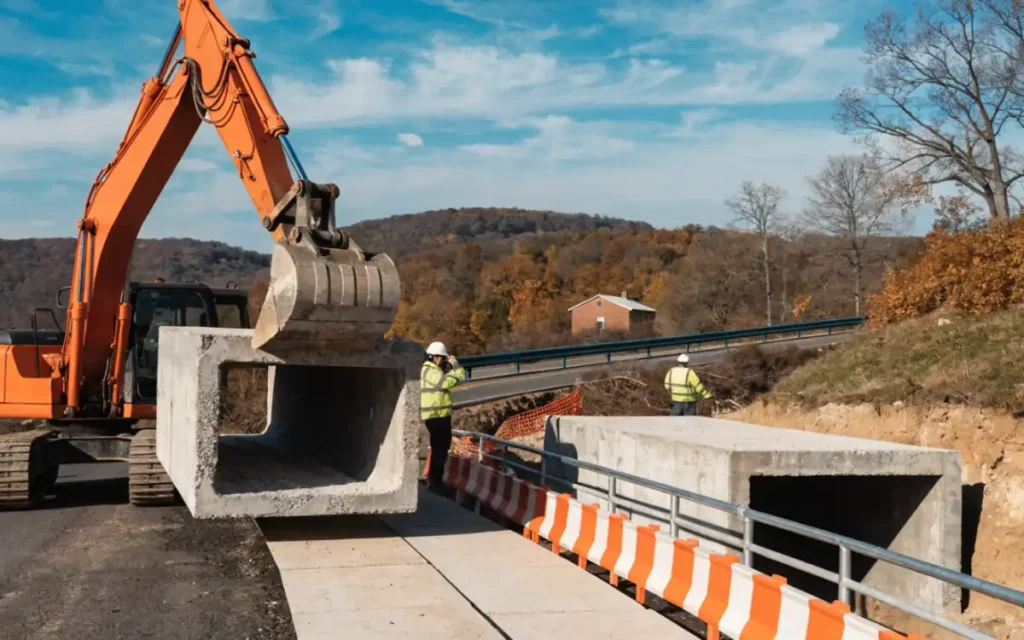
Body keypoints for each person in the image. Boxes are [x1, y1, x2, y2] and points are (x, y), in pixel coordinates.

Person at [420, 341, 466, 493]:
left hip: (436, 415)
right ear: (434, 357)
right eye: (442, 358)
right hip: (436, 416)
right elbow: (448, 382)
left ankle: (434, 480)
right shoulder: (430, 370)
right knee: (440, 449)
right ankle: (435, 483)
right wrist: (456, 367)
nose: (444, 361)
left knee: (439, 449)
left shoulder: (428, 370)